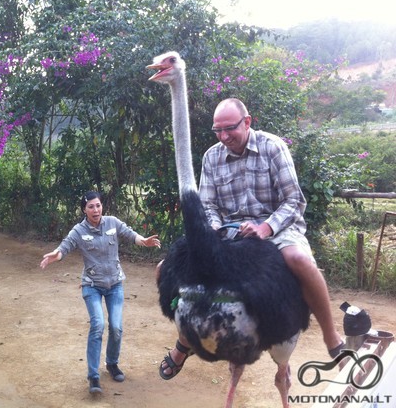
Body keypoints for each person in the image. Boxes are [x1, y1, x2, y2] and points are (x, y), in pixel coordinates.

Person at [159, 97, 344, 379]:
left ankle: (332, 338)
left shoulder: (272, 147)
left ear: (247, 122)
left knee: (298, 260)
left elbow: (293, 200)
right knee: (169, 270)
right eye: (217, 130)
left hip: (277, 227)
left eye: (229, 128)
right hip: (231, 232)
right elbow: (209, 207)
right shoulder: (212, 156)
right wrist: (216, 231)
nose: (223, 136)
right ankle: (185, 343)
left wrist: (266, 228)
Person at [41, 190, 161, 395]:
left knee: (116, 327)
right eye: (91, 207)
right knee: (98, 325)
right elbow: (66, 246)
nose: (95, 210)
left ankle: (112, 364)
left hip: (115, 284)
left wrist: (144, 241)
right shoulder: (79, 231)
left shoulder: (112, 222)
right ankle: (93, 376)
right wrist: (56, 255)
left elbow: (130, 234)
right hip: (92, 285)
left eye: (98, 205)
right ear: (84, 210)